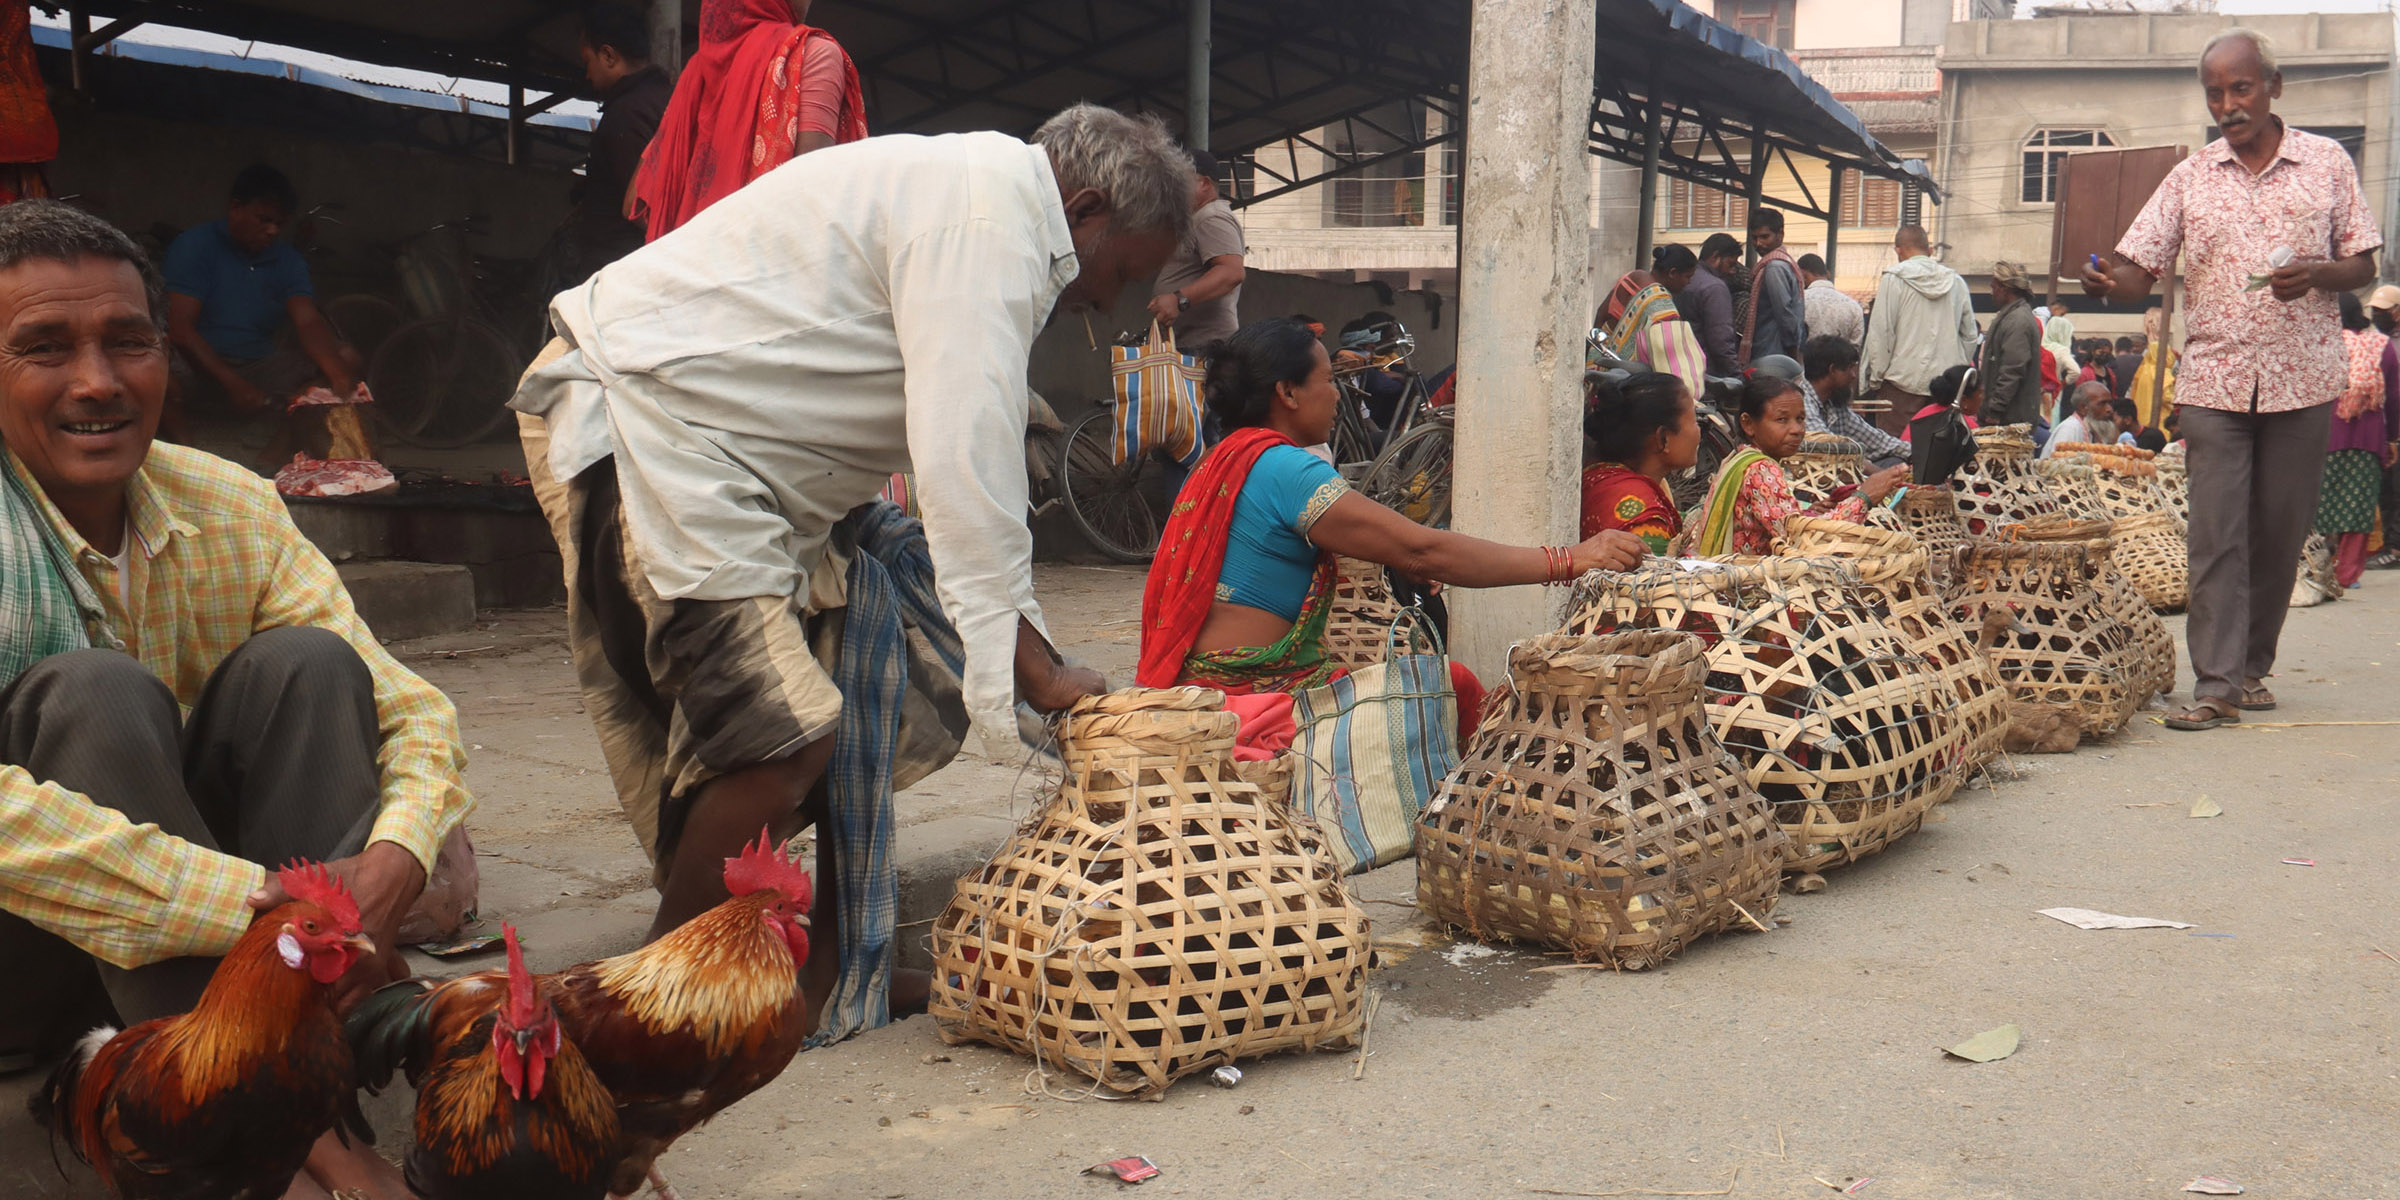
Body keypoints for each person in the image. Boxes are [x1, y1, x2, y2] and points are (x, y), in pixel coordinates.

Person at [513, 104, 1192, 1039]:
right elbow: (963, 458)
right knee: (783, 736)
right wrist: (1036, 670)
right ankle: (631, 1026)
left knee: (873, 662)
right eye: (1117, 272)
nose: (1103, 301)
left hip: (754, 473)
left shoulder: (982, 199)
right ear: (1083, 208)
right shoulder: (988, 216)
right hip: (658, 427)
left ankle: (836, 968)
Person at [0, 201, 466, 1195]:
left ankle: (304, 1086)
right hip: (19, 966)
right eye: (44, 347)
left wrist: (393, 860)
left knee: (307, 663)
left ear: (166, 358)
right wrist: (259, 905)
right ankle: (258, 1140)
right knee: (94, 693)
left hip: (220, 963)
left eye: (128, 342)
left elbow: (409, 708)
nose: (96, 381)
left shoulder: (230, 505)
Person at [1137, 318, 1645, 744]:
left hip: (1205, 679)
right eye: (1328, 379)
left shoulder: (1222, 461)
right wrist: (1571, 559)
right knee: (1456, 686)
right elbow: (1425, 549)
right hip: (1261, 695)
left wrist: (1396, 557)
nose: (1338, 395)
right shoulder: (1285, 469)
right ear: (1287, 392)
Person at [2084, 27, 2381, 730]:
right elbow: (2138, 270)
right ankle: (2213, 685)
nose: (2227, 104)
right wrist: (2106, 282)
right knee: (2215, 534)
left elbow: (2364, 264)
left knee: (2279, 533)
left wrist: (2318, 274)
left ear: (2272, 86)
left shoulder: (2328, 163)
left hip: (2303, 380)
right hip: (2214, 381)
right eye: (2215, 93)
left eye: (2239, 88)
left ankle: (2252, 669)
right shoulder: (2191, 177)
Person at [630, 0, 867, 241]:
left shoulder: (694, 75)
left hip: (688, 269)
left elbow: (637, 202)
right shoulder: (813, 55)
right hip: (761, 268)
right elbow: (810, 200)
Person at [163, 164, 358, 416]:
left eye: (280, 223)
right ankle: (185, 447)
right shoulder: (194, 246)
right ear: (235, 208)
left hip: (258, 366)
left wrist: (338, 375)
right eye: (264, 219)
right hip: (196, 364)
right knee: (156, 368)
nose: (273, 230)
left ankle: (278, 447)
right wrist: (232, 383)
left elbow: (308, 321)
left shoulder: (288, 260)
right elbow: (180, 329)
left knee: (346, 357)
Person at [1689, 374, 1908, 556]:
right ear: (1748, 423)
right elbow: (1803, 541)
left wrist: (1811, 513)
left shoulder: (1738, 458)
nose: (1796, 429)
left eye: (1800, 419)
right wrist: (1864, 498)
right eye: (1782, 420)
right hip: (1752, 584)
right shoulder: (1761, 469)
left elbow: (1781, 523)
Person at [556, 2, 673, 285]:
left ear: (608, 55)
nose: (587, 74)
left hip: (620, 271)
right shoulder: (669, 99)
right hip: (648, 266)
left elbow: (640, 204)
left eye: (588, 62)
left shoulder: (626, 113)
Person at [1861, 223, 1978, 437]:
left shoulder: (1893, 279)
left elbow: (1881, 333)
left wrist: (1876, 378)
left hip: (1899, 385)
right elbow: (1970, 336)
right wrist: (1954, 370)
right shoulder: (1956, 282)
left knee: (1896, 454)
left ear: (1898, 250)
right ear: (1930, 250)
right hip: (1946, 388)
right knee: (1941, 454)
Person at [2318, 291, 2392, 587]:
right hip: (2369, 438)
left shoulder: (2326, 344)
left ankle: (2317, 565)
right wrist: (2393, 439)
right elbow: (2395, 398)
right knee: (2359, 507)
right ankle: (2348, 574)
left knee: (2321, 504)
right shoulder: (2383, 346)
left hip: (2327, 435)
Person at [1581, 369, 1699, 551]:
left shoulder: (1597, 475)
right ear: (1663, 438)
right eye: (1694, 421)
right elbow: (1659, 577)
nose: (1699, 431)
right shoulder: (1645, 519)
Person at [1147, 148, 1245, 350]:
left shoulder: (1212, 217)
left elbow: (1231, 272)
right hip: (1193, 344)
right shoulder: (1199, 218)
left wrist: (1178, 299)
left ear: (1204, 184)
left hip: (1206, 347)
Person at [1596, 264, 1708, 394]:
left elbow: (1601, 312)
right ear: (1672, 272)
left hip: (1604, 352)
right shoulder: (1659, 298)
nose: (1688, 283)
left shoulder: (1633, 276)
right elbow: (1668, 340)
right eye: (1687, 277)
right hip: (1628, 367)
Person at [1798, 334, 1905, 465]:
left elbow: (1875, 440)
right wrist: (1879, 475)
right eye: (1850, 369)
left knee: (1896, 460)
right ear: (1833, 370)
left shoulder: (1833, 402)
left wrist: (1913, 452)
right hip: (1814, 474)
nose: (1853, 376)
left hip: (1843, 464)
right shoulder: (1801, 403)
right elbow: (1831, 451)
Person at [1981, 261, 2045, 429]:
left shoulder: (2017, 321)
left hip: (2010, 420)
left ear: (2004, 288)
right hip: (2009, 417)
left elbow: (2012, 369)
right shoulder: (2012, 316)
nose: (1992, 293)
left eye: (1993, 288)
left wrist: (1995, 409)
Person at [1667, 238, 1741, 378]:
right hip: (1707, 371)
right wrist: (1736, 375)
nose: (1732, 271)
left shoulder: (1679, 280)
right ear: (1715, 257)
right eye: (1731, 264)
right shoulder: (1714, 287)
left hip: (1677, 365)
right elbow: (1720, 340)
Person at [1742, 208, 1805, 364]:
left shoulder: (1775, 267)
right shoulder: (1782, 263)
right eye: (1754, 238)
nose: (1758, 243)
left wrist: (1792, 352)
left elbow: (1784, 313)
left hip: (1773, 353)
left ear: (1781, 234)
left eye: (1765, 237)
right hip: (1773, 352)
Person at [1799, 252, 1863, 346]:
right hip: (1841, 359)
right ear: (1828, 274)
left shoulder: (1799, 300)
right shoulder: (1854, 306)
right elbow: (1856, 346)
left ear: (1804, 276)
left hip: (1806, 359)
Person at [2128, 311, 2179, 429]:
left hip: (2142, 419)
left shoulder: (2141, 370)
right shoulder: (2163, 373)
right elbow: (2168, 397)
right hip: (2160, 421)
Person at [2040, 382, 2115, 458]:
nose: (2109, 409)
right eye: (2102, 403)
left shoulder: (2093, 431)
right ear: (2083, 408)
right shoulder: (2070, 428)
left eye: (2109, 403)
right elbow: (2057, 465)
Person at [2109, 336, 2145, 402]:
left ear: (2116, 349)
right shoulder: (2141, 360)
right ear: (2131, 349)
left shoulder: (2111, 363)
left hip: (2117, 401)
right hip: (2137, 400)